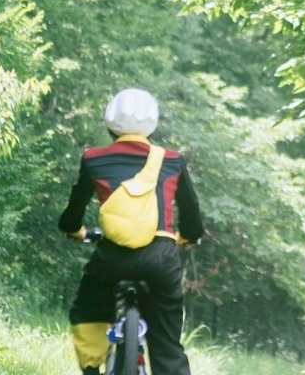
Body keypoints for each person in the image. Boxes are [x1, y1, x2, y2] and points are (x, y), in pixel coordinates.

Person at [58, 88, 204, 375]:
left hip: (111, 256)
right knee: (166, 341)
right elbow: (191, 211)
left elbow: (73, 213)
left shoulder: (93, 158)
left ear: (110, 123)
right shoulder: (172, 159)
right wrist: (186, 237)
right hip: (161, 256)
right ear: (152, 124)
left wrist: (75, 230)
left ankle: (91, 369)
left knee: (89, 308)